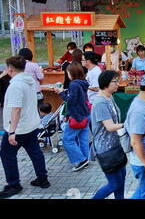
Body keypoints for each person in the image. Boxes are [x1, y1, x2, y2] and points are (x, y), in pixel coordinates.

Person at [0, 56, 50, 199]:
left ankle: (14, 184)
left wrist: (12, 131)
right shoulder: (29, 81)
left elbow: (16, 109)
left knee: (7, 155)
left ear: (9, 69)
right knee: (35, 152)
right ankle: (42, 178)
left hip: (19, 128)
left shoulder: (15, 85)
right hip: (31, 124)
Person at [91, 70, 126, 199]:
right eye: (115, 82)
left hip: (115, 146)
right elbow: (110, 127)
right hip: (105, 149)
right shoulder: (100, 102)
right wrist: (127, 125)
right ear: (106, 83)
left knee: (121, 179)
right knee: (114, 183)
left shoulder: (109, 97)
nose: (117, 84)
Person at [55, 62, 90, 172]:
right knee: (83, 139)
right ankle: (86, 159)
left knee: (67, 140)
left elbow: (71, 101)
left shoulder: (74, 84)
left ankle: (80, 160)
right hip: (86, 114)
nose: (67, 75)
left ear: (72, 73)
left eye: (68, 73)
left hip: (77, 116)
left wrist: (61, 93)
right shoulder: (83, 82)